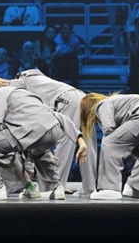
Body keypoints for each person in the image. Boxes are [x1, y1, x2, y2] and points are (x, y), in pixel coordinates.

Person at [0, 83, 85, 200]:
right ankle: (56, 188)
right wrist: (80, 140)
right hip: (52, 131)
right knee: (37, 151)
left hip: (31, 131)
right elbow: (59, 116)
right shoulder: (24, 94)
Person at [10, 68, 97, 197]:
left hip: (67, 100)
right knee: (88, 142)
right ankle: (89, 188)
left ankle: (56, 186)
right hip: (82, 97)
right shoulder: (46, 83)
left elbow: (1, 87)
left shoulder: (23, 80)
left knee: (66, 140)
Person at [78, 92, 139, 200]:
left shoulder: (101, 105)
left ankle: (110, 189)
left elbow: (109, 129)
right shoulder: (119, 101)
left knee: (110, 142)